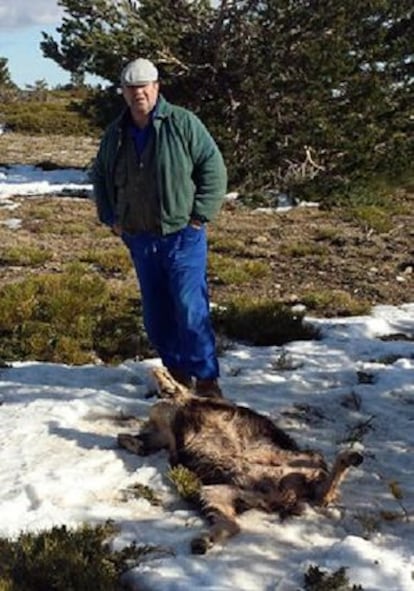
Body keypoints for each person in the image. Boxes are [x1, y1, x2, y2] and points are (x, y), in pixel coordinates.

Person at [91, 57, 227, 397]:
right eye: (132, 87)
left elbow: (213, 167)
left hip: (182, 235)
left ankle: (207, 382)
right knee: (156, 313)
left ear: (156, 87)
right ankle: (177, 376)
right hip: (139, 237)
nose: (139, 93)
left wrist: (199, 217)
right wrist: (112, 219)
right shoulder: (116, 134)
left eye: (144, 86)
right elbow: (101, 176)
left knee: (189, 307)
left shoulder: (182, 123)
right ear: (123, 92)